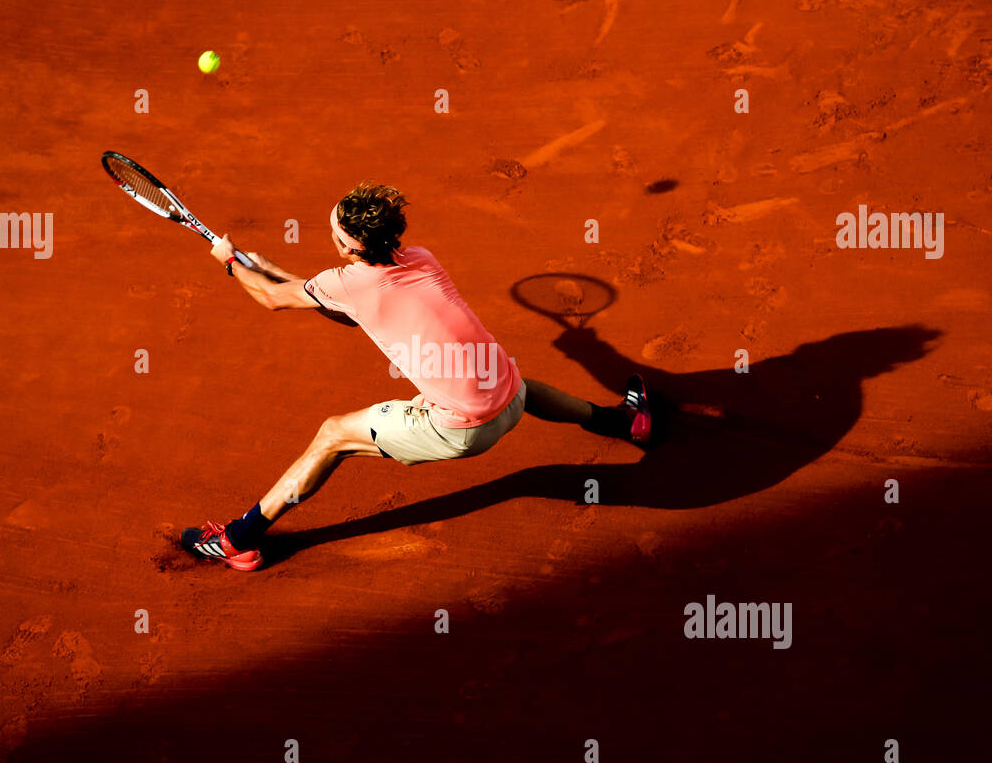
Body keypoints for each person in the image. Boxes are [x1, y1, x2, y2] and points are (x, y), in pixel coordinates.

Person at [182, 183, 651, 570]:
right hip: (512, 401)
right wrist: (268, 269)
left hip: (462, 431)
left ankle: (238, 540)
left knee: (332, 435)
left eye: (334, 232)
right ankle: (623, 421)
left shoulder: (347, 283)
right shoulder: (421, 259)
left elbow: (271, 300)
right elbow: (352, 308)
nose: (331, 237)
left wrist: (229, 261)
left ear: (350, 245)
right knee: (508, 379)